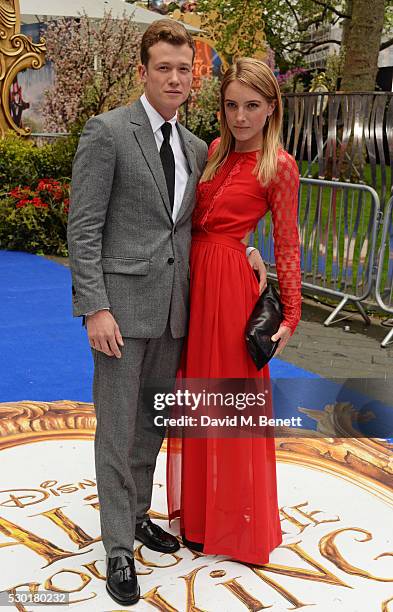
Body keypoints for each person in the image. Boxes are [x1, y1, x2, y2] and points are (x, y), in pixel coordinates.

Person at [67, 20, 209, 607]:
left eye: (184, 69)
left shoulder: (197, 148)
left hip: (174, 312)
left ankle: (137, 515)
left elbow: (190, 229)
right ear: (143, 72)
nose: (175, 78)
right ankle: (118, 547)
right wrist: (95, 307)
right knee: (117, 429)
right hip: (120, 314)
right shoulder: (108, 133)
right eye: (164, 68)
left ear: (193, 75)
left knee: (151, 426)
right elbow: (84, 227)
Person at [167, 57, 302, 565]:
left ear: (271, 108)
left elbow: (288, 243)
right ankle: (199, 520)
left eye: (251, 106)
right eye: (231, 105)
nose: (240, 116)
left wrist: (291, 313)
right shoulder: (213, 151)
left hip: (228, 295)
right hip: (191, 280)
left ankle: (237, 526)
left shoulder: (280, 166)